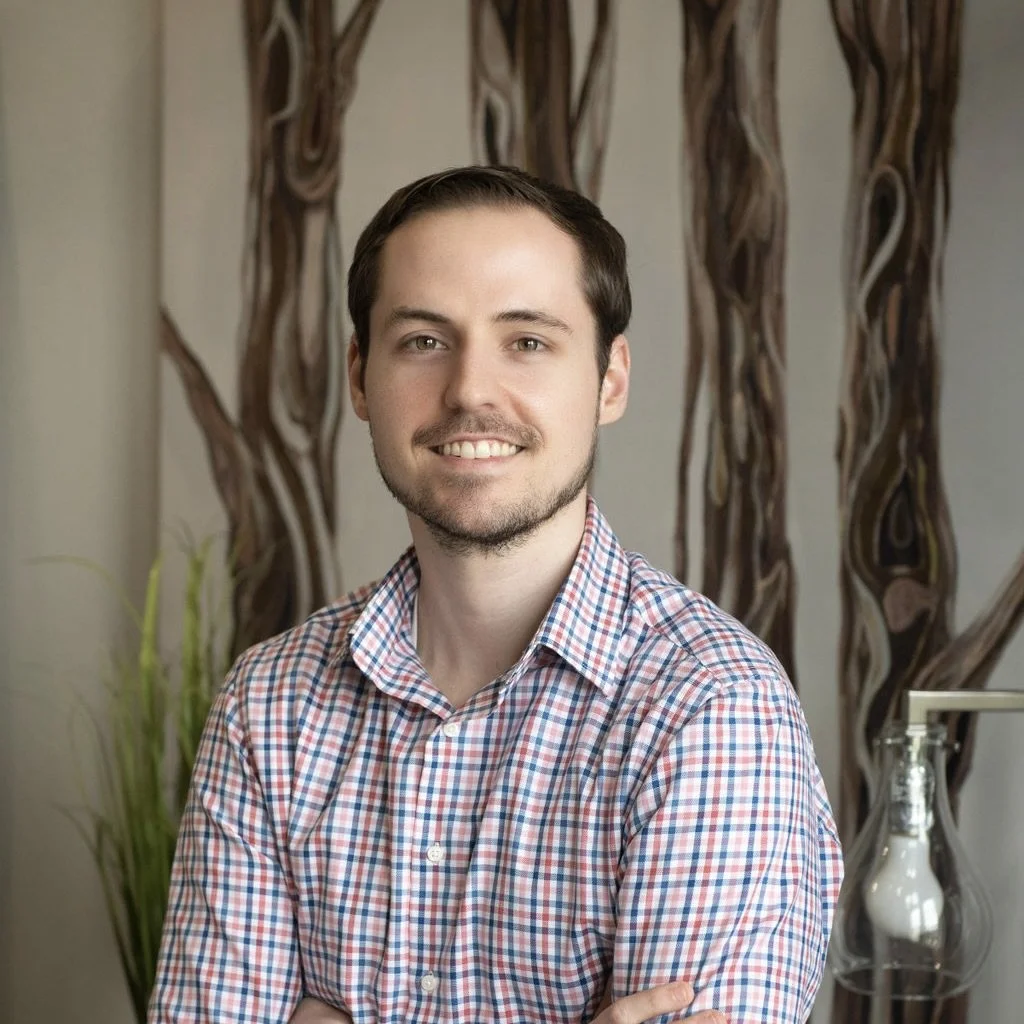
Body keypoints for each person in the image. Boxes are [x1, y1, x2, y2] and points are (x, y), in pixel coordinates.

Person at [149, 166, 843, 1024]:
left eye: (527, 342)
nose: (471, 389)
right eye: (424, 340)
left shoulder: (712, 707)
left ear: (610, 379)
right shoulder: (268, 705)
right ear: (360, 378)